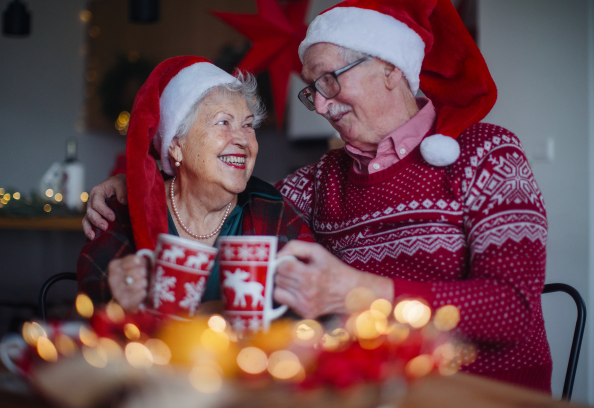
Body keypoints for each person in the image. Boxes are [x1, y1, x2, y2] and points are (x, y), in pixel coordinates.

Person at [82, 1, 552, 393]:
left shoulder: (487, 154)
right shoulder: (318, 181)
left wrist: (359, 292)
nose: (322, 105)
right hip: (364, 392)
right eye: (313, 90)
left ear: (389, 68)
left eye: (329, 79)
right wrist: (146, 180)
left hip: (478, 393)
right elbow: (225, 197)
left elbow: (513, 307)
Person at [77, 56, 313, 316]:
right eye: (223, 122)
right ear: (176, 145)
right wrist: (118, 307)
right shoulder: (126, 213)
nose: (243, 140)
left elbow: (311, 304)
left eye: (247, 125)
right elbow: (85, 316)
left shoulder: (273, 211)